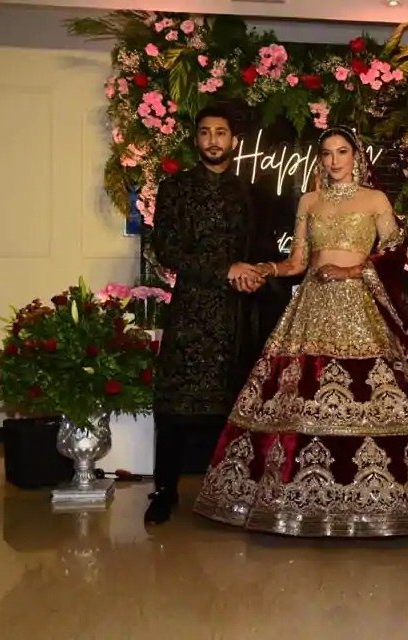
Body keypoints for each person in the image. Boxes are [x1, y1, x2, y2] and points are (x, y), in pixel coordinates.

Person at [193, 125, 408, 536]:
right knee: (299, 398)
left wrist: (353, 270)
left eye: (342, 151)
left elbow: (395, 254)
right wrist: (267, 268)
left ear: (356, 156)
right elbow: (298, 262)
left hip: (361, 306)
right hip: (311, 305)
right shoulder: (310, 200)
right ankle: (298, 501)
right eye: (326, 153)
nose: (334, 160)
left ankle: (391, 502)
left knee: (376, 393)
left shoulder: (374, 199)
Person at [145, 103, 265, 525]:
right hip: (192, 309)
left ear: (234, 140)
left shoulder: (247, 192)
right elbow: (167, 249)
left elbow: (257, 250)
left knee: (232, 404)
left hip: (236, 313)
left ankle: (230, 493)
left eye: (221, 132)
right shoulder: (176, 188)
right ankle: (165, 490)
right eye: (205, 132)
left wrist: (253, 274)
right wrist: (224, 270)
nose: (213, 140)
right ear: (196, 139)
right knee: (174, 405)